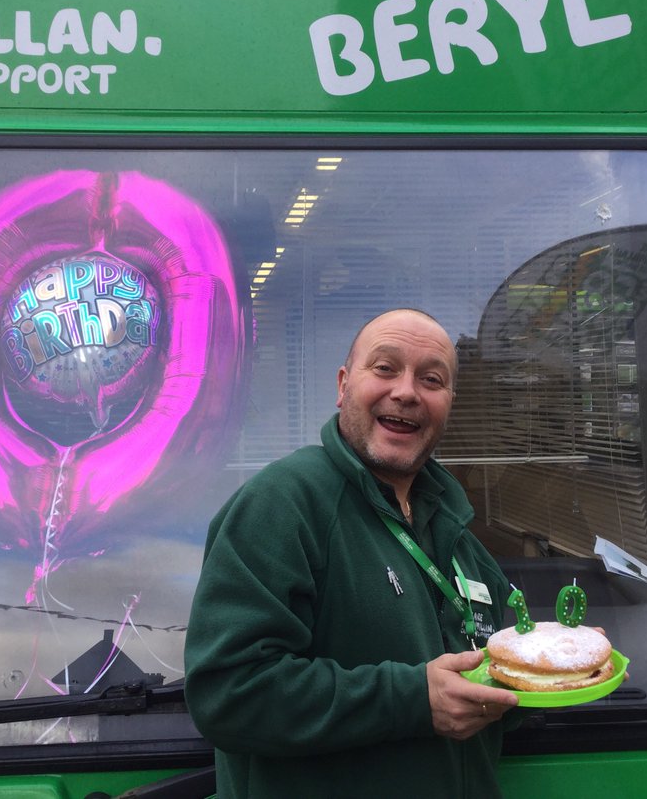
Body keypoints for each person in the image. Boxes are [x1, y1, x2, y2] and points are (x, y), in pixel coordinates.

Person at [184, 308, 517, 798]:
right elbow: (229, 695)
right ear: (343, 386)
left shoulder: (453, 525)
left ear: (448, 403)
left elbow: (498, 663)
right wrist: (412, 700)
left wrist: (552, 665)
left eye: (431, 379)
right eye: (384, 369)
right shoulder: (281, 504)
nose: (406, 392)